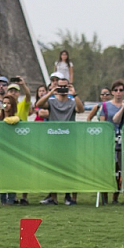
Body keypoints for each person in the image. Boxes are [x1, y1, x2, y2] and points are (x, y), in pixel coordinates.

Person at [36, 77, 84, 205]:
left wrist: (74, 94)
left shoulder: (72, 101)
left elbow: (81, 110)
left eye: (65, 86)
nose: (63, 89)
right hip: (54, 141)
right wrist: (51, 92)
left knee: (71, 169)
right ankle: (53, 198)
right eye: (60, 86)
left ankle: (72, 198)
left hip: (69, 141)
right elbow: (39, 105)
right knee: (53, 169)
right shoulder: (52, 102)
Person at [98, 80, 124, 204]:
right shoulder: (105, 106)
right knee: (106, 169)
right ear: (112, 92)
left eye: (121, 90)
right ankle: (104, 197)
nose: (118, 93)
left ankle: (116, 196)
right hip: (109, 140)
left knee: (121, 169)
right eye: (116, 90)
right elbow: (102, 123)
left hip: (123, 140)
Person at [0, 95, 20, 205]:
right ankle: (3, 199)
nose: (6, 105)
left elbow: (13, 120)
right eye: (4, 103)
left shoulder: (15, 118)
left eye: (8, 103)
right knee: (2, 176)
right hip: (0, 150)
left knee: (12, 175)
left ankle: (11, 198)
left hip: (12, 151)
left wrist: (2, 119)